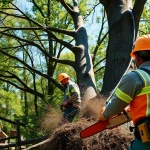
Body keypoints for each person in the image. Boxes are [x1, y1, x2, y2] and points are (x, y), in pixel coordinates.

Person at [99, 34, 150, 150]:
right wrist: (134, 110)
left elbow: (116, 106)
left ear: (137, 57)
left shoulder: (135, 77)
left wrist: (105, 114)